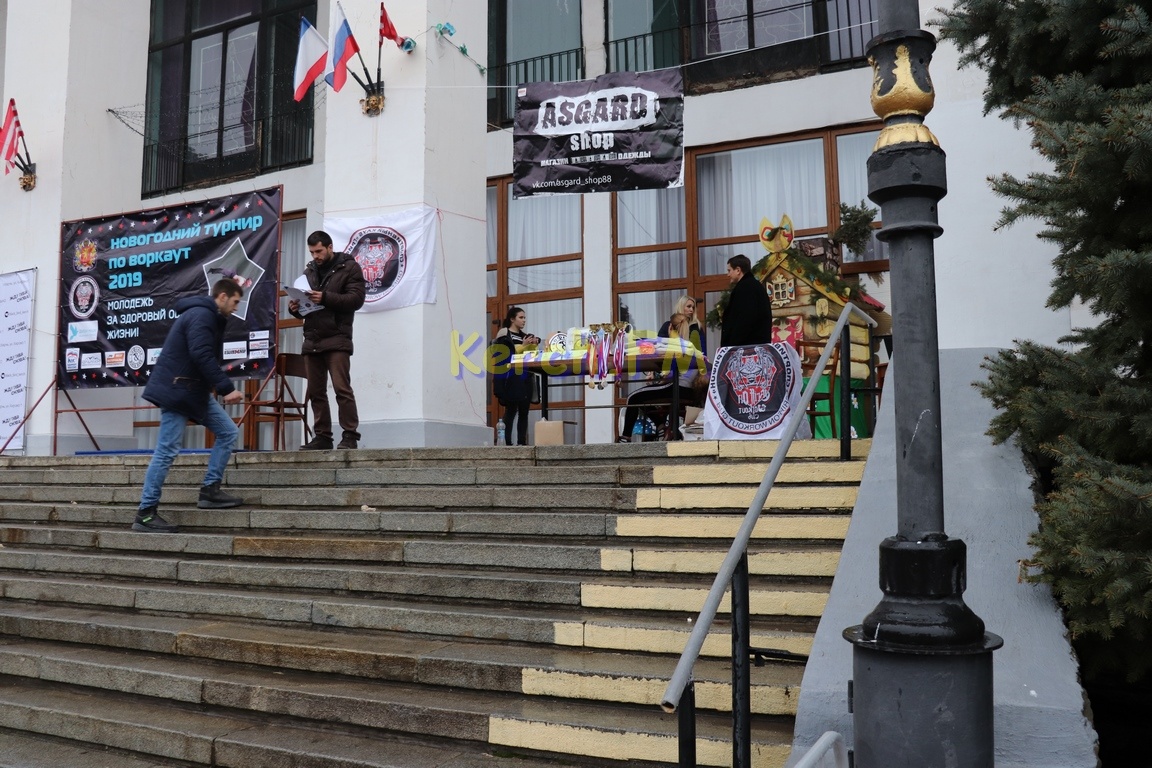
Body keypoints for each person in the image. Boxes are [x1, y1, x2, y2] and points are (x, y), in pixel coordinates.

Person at [132, 279, 246, 533]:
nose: (236, 307)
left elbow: (201, 356)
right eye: (235, 301)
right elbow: (201, 354)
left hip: (193, 390)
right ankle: (145, 513)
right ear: (223, 296)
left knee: (228, 432)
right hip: (178, 390)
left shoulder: (209, 316)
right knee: (166, 450)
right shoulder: (201, 315)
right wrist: (226, 388)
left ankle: (210, 491)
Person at [289, 230, 366, 450]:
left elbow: (356, 299)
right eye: (312, 252)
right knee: (316, 392)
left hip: (337, 338)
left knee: (342, 388)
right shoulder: (309, 271)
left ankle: (350, 435)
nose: (316, 256)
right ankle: (323, 436)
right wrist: (295, 308)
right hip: (312, 339)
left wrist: (325, 297)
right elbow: (305, 306)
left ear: (330, 247)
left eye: (319, 251)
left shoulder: (349, 268)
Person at [619, 312, 702, 442]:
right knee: (643, 395)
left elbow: (670, 372)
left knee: (633, 397)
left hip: (677, 387)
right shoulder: (690, 346)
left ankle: (626, 437)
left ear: (670, 327)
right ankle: (661, 426)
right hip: (689, 391)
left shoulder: (672, 345)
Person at [493, 306, 540, 446]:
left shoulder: (524, 336)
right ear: (512, 319)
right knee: (511, 409)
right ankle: (506, 442)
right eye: (521, 317)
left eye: (524, 317)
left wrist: (533, 345)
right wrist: (523, 345)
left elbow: (530, 356)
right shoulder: (504, 333)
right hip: (511, 377)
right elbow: (506, 353)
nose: (524, 320)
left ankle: (521, 442)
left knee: (524, 411)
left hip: (525, 375)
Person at [720, 254, 774, 348]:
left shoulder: (745, 288)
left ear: (738, 270)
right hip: (756, 346)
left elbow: (744, 320)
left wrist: (732, 345)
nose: (728, 274)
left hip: (746, 348)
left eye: (729, 270)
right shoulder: (754, 286)